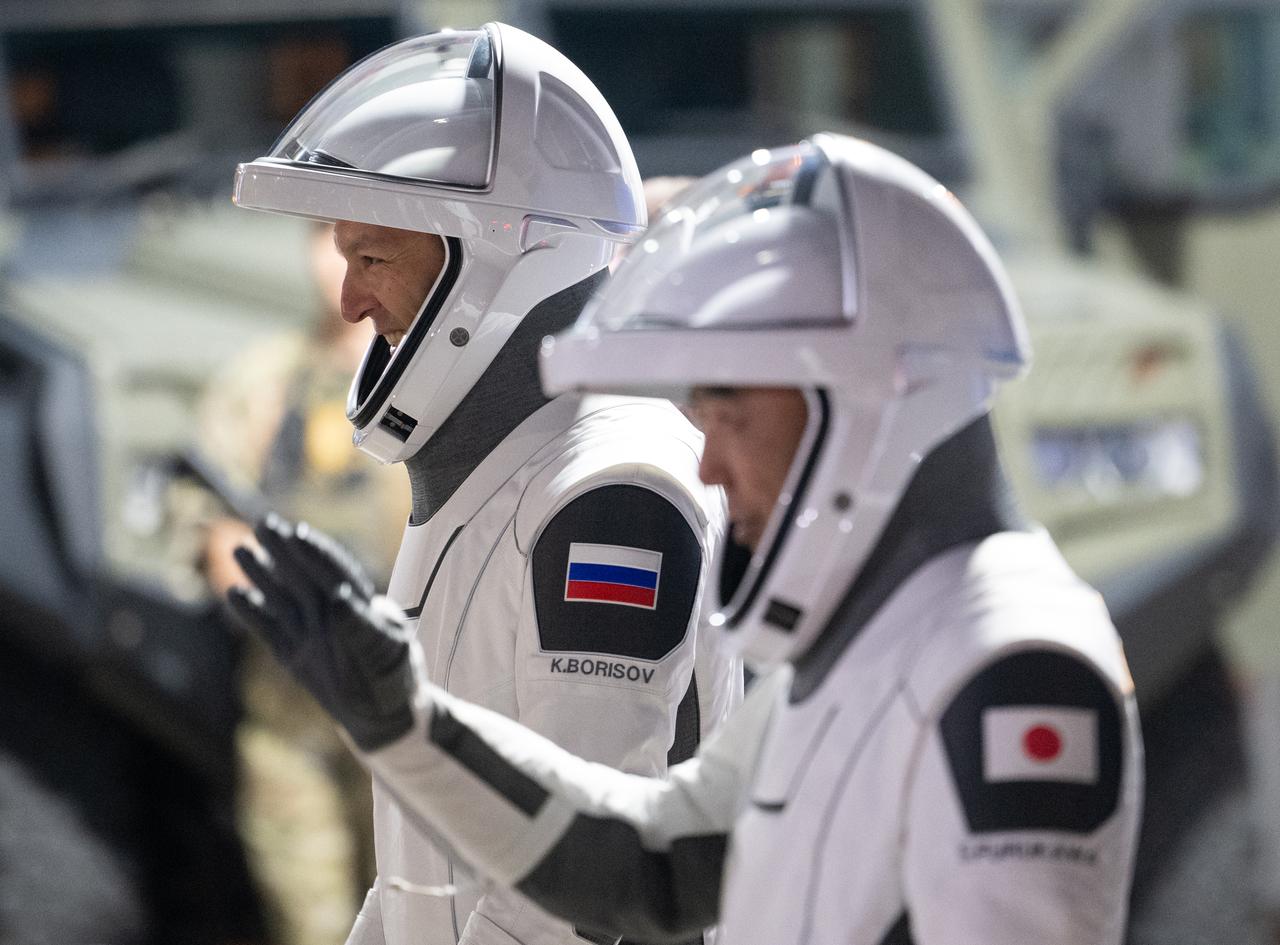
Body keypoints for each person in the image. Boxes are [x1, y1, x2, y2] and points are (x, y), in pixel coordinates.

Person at [231, 132, 1145, 944]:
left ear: (873, 397)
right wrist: (406, 720)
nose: (705, 464)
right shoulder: (870, 645)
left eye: (731, 410)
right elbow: (647, 862)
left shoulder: (1018, 666)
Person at [229, 23, 741, 945]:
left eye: (373, 255)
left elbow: (580, 895)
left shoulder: (612, 492)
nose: (348, 300)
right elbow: (418, 884)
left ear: (495, 263)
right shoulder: (492, 477)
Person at [195, 221, 405, 945]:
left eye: (362, 240)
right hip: (294, 707)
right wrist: (288, 613)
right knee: (310, 921)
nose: (337, 260)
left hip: (415, 706)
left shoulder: (437, 384)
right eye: (324, 235)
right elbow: (219, 530)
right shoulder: (264, 381)